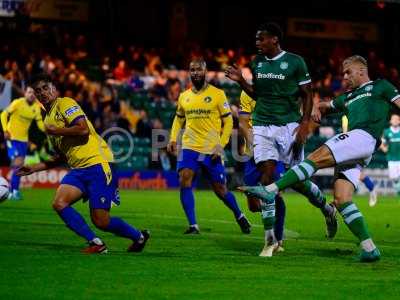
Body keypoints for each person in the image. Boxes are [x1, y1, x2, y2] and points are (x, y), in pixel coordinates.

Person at [240, 55, 400, 262]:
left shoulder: (381, 87)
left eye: (348, 72)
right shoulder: (349, 97)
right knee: (342, 199)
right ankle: (369, 249)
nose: (344, 77)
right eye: (343, 73)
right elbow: (326, 106)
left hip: (364, 136)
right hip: (357, 146)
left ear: (361, 71)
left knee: (316, 156)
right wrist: (316, 106)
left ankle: (271, 190)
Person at [226, 22, 336, 256]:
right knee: (267, 179)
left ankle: (326, 208)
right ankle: (270, 240)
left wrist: (305, 123)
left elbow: (307, 94)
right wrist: (241, 81)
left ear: (274, 39)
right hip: (263, 126)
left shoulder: (295, 62)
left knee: (298, 183)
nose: (257, 42)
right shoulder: (257, 63)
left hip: (290, 127)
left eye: (261, 38)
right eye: (256, 39)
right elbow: (258, 93)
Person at [17, 73, 149, 254]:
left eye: (45, 88)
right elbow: (62, 156)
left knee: (101, 221)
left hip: (97, 164)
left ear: (53, 89)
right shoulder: (48, 120)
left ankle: (139, 236)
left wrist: (57, 130)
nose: (42, 93)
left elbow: (83, 129)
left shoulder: (65, 103)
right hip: (78, 169)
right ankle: (96, 243)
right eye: (38, 91)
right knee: (59, 203)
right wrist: (34, 168)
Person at [167, 58, 251, 235]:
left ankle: (239, 215)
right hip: (189, 146)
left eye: (198, 69)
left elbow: (228, 121)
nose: (195, 72)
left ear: (205, 72)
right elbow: (178, 118)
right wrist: (173, 138)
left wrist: (221, 144)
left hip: (211, 148)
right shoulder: (184, 96)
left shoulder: (218, 94)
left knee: (220, 190)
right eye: (192, 70)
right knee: (185, 179)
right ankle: (193, 225)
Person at [1, 86, 45, 200]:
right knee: (18, 163)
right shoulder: (17, 103)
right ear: (25, 93)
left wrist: (50, 130)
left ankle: (11, 191)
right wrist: (5, 130)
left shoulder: (36, 107)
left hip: (23, 141)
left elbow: (40, 125)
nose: (31, 94)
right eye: (29, 92)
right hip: (12, 138)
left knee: (20, 166)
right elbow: (3, 114)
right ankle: (13, 191)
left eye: (33, 93)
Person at [342, 115, 378, 206]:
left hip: (361, 146)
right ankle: (372, 190)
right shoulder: (345, 117)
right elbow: (345, 133)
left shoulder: (362, 115)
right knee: (355, 174)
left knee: (356, 173)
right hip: (350, 147)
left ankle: (372, 190)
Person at [381, 114, 400, 195]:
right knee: (394, 178)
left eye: (397, 119)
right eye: (393, 119)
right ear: (390, 121)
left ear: (399, 121)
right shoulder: (387, 132)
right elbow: (382, 143)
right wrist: (384, 148)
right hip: (391, 159)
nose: (395, 121)